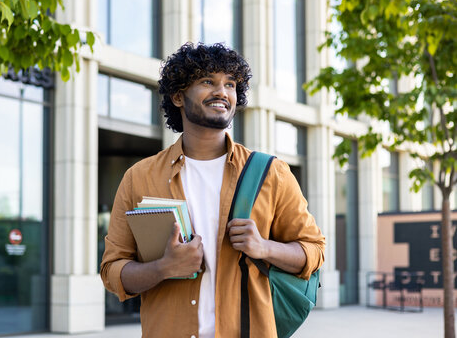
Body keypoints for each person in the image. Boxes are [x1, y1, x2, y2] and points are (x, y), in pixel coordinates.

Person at [100, 42, 325, 338]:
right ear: (178, 96)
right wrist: (164, 267)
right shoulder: (139, 178)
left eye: (230, 84)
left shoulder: (272, 173)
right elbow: (113, 271)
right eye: (208, 81)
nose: (222, 92)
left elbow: (314, 250)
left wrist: (265, 247)